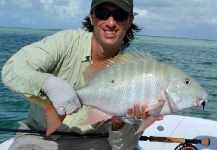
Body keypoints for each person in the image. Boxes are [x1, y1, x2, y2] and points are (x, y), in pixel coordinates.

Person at [2, 0, 162, 149]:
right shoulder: (64, 43)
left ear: (130, 20)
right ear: (91, 17)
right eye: (103, 13)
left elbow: (124, 147)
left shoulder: (136, 73)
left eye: (120, 15)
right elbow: (13, 69)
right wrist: (48, 83)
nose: (111, 23)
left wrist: (119, 120)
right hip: (40, 137)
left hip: (99, 141)